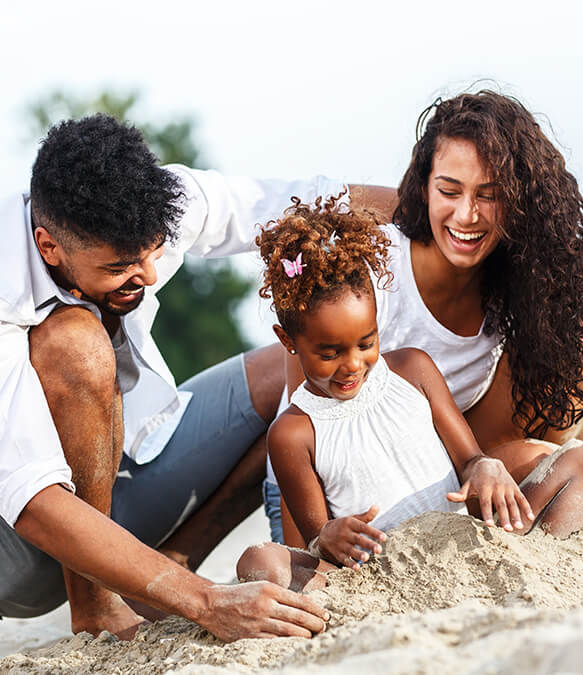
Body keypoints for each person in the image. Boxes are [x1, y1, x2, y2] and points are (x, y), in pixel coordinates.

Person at [0, 114, 396, 641]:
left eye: (154, 250)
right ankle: (95, 604)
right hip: (19, 552)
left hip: (115, 490)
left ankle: (163, 571)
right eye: (121, 267)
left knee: (292, 371)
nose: (148, 275)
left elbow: (312, 204)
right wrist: (207, 604)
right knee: (76, 342)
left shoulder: (157, 201)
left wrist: (441, 206)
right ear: (49, 247)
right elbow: (32, 499)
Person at [270, 89, 583, 546]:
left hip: (443, 467)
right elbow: (305, 428)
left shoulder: (512, 275)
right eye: (449, 190)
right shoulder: (356, 286)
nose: (467, 214)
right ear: (423, 187)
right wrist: (308, 546)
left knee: (573, 370)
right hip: (343, 502)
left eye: (490, 195)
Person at [237, 198, 583, 589]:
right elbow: (315, 538)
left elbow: (469, 459)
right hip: (374, 575)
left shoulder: (413, 369)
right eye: (329, 354)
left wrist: (484, 468)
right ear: (288, 341)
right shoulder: (292, 433)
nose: (351, 364)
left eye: (366, 343)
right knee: (258, 560)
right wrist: (327, 535)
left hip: (463, 544)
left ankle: (539, 562)